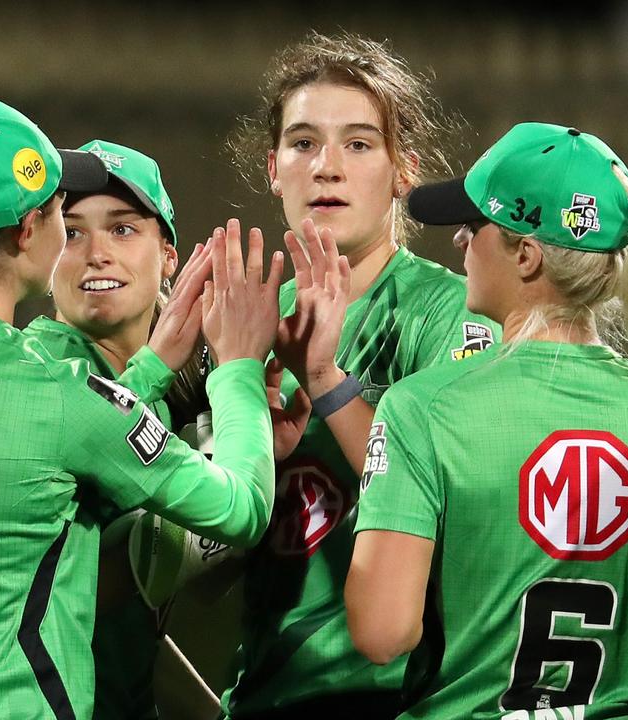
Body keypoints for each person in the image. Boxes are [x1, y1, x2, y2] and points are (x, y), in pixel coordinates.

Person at [0, 100, 297, 719]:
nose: (87, 246)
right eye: (62, 219)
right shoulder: (52, 389)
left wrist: (149, 369)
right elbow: (241, 508)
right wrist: (237, 370)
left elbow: (50, 437)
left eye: (123, 228)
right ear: (28, 233)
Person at [345, 122, 628, 719]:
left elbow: (382, 633)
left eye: (474, 227)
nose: (459, 243)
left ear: (526, 254)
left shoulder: (424, 408)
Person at [219, 31, 501, 719]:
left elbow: (463, 514)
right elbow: (208, 573)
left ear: (404, 172)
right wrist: (239, 458)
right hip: (266, 698)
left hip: (405, 697)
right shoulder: (243, 324)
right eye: (304, 142)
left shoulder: (457, 318)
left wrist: (327, 383)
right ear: (272, 168)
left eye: (359, 144)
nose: (327, 168)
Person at [24, 138, 229, 720]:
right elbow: (77, 590)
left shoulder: (166, 394)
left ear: (169, 254)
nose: (95, 254)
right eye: (72, 231)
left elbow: (128, 626)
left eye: (122, 229)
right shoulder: (38, 374)